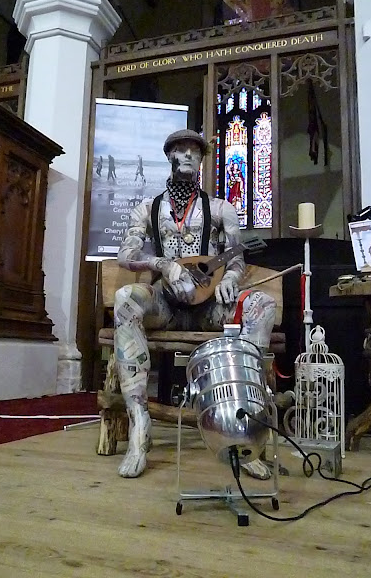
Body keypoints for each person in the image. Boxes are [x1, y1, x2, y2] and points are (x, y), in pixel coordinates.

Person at [114, 129, 277, 479]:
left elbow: (236, 259)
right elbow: (125, 254)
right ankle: (139, 426)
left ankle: (244, 425)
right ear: (169, 156)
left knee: (262, 304)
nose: (188, 155)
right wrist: (161, 264)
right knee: (125, 299)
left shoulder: (220, 209)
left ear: (202, 160)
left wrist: (230, 279)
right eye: (180, 149)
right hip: (167, 306)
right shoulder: (148, 209)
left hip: (209, 308)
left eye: (194, 150)